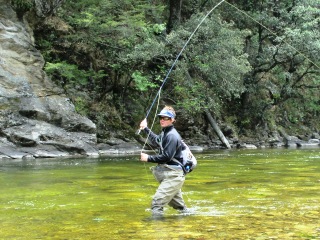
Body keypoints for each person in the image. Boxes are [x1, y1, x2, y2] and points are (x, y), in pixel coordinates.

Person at [139, 106, 188, 217]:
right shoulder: (165, 133)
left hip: (173, 176)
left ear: (172, 120)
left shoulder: (172, 135)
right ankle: (188, 222)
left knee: (157, 204)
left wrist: (148, 158)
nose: (162, 120)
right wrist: (146, 129)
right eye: (161, 118)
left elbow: (166, 157)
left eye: (165, 118)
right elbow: (157, 141)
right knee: (180, 208)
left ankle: (156, 231)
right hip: (170, 175)